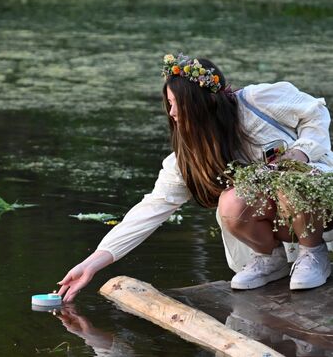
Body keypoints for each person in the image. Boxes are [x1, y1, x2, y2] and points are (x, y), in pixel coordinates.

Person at [58, 53, 333, 302]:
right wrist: (91, 264)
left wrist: (301, 154)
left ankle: (313, 253)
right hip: (279, 222)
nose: (172, 113)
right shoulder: (188, 157)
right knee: (232, 202)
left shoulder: (256, 102)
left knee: (288, 181)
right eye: (169, 104)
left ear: (201, 104)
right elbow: (151, 209)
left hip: (320, 203)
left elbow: (315, 112)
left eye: (178, 104)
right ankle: (270, 258)